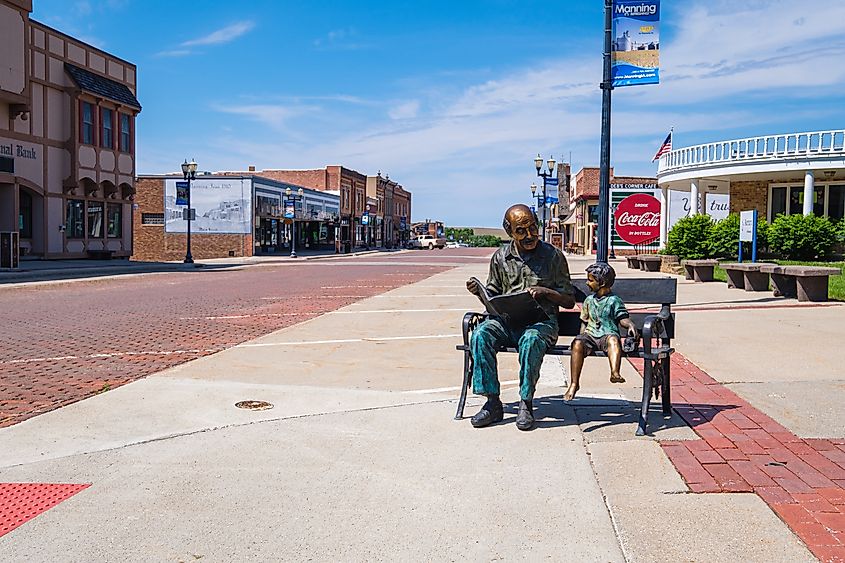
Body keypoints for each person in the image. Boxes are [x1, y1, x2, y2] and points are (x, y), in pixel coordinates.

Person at [466, 204, 575, 431]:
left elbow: (569, 300)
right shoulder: (500, 258)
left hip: (541, 322)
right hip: (508, 322)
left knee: (531, 340)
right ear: (509, 232)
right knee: (480, 335)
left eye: (533, 228)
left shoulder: (553, 256)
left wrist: (546, 292)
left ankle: (526, 402)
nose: (529, 236)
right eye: (521, 231)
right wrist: (481, 295)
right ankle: (492, 403)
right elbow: (493, 296)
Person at [565, 262, 638, 401]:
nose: (587, 283)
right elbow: (584, 322)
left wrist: (630, 325)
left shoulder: (614, 301)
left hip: (607, 334)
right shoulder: (588, 300)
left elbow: (622, 318)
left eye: (590, 280)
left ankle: (615, 372)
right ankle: (574, 383)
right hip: (590, 335)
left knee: (614, 341)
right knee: (578, 343)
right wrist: (580, 337)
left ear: (602, 282)